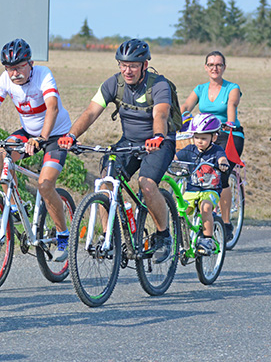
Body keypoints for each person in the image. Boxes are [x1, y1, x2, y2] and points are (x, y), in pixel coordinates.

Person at [58, 38, 175, 263]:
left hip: (159, 142)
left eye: (132, 65)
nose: (127, 70)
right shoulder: (114, 84)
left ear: (145, 64)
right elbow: (91, 112)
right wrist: (72, 136)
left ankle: (163, 235)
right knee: (106, 184)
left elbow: (160, 114)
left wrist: (158, 136)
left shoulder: (159, 85)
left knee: (147, 185)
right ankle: (108, 237)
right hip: (129, 141)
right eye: (122, 64)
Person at [0, 38, 72, 261]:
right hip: (29, 131)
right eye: (9, 68)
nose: (14, 73)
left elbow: (52, 108)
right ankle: (14, 204)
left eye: (19, 67)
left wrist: (42, 138)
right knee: (2, 153)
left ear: (30, 63)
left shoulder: (43, 74)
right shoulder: (6, 79)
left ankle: (63, 235)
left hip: (55, 135)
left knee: (45, 184)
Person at [179, 50, 243, 242]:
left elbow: (231, 105)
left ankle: (225, 222)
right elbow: (185, 108)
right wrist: (175, 121)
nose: (215, 68)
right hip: (204, 133)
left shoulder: (232, 88)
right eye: (211, 64)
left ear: (224, 67)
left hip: (229, 134)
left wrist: (230, 123)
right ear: (206, 67)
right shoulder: (200, 89)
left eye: (219, 65)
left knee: (221, 176)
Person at [175, 113, 230, 255]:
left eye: (204, 138)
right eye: (196, 137)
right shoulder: (189, 150)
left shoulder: (216, 150)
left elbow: (222, 158)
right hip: (192, 189)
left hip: (211, 190)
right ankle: (182, 239)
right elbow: (175, 158)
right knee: (181, 211)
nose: (199, 141)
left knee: (205, 207)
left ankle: (207, 239)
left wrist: (223, 163)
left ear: (214, 137)